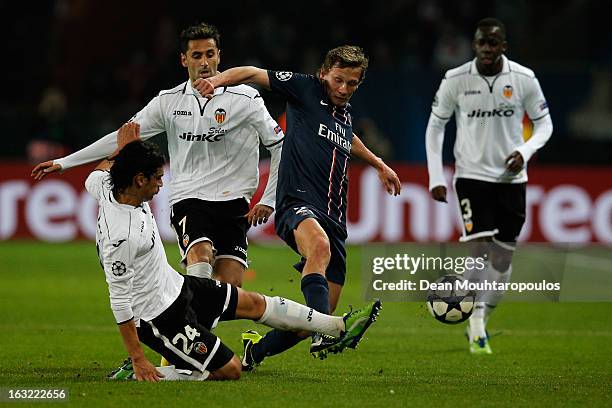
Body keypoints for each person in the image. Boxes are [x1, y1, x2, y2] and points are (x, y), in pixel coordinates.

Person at [78, 122, 380, 382]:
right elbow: (119, 303)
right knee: (230, 369)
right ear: (139, 180)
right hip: (159, 316)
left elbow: (94, 174)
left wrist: (125, 151)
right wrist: (137, 358)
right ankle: (136, 372)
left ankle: (338, 327)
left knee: (254, 303)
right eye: (156, 178)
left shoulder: (109, 187)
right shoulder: (123, 237)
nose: (161, 183)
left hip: (178, 287)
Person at [193, 45, 401, 366]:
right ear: (323, 74)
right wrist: (217, 80)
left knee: (318, 312)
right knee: (318, 249)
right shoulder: (305, 88)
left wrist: (378, 164)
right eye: (338, 80)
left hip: (334, 216)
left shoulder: (343, 115)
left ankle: (255, 352)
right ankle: (325, 331)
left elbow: (348, 138)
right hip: (297, 201)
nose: (343, 89)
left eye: (352, 83)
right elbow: (251, 73)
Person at [31, 22, 283, 287]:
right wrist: (64, 163)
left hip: (235, 202)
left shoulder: (246, 98)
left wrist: (269, 198)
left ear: (219, 56)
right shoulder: (169, 101)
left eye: (210, 54)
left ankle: (191, 323)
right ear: (183, 59)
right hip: (189, 197)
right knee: (201, 258)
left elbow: (279, 144)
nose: (205, 62)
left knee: (230, 288)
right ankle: (188, 326)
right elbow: (121, 136)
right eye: (197, 55)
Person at [425, 18, 553, 354]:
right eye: (481, 43)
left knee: (503, 258)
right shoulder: (456, 79)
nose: (486, 49)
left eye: (493, 44)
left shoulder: (524, 79)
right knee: (480, 248)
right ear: (474, 45)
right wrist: (436, 176)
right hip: (470, 176)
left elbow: (544, 124)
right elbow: (436, 127)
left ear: (503, 47)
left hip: (511, 180)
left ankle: (478, 311)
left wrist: (525, 152)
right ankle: (475, 321)